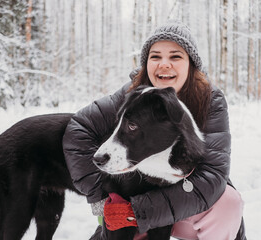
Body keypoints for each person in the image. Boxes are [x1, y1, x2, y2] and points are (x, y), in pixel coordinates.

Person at [63, 21, 247, 240]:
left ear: (191, 63)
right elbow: (78, 129)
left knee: (229, 203)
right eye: (155, 56)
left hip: (186, 204)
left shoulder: (209, 100)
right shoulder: (133, 95)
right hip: (137, 201)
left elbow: (213, 176)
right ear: (146, 63)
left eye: (176, 57)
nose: (164, 64)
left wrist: (141, 212)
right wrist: (103, 199)